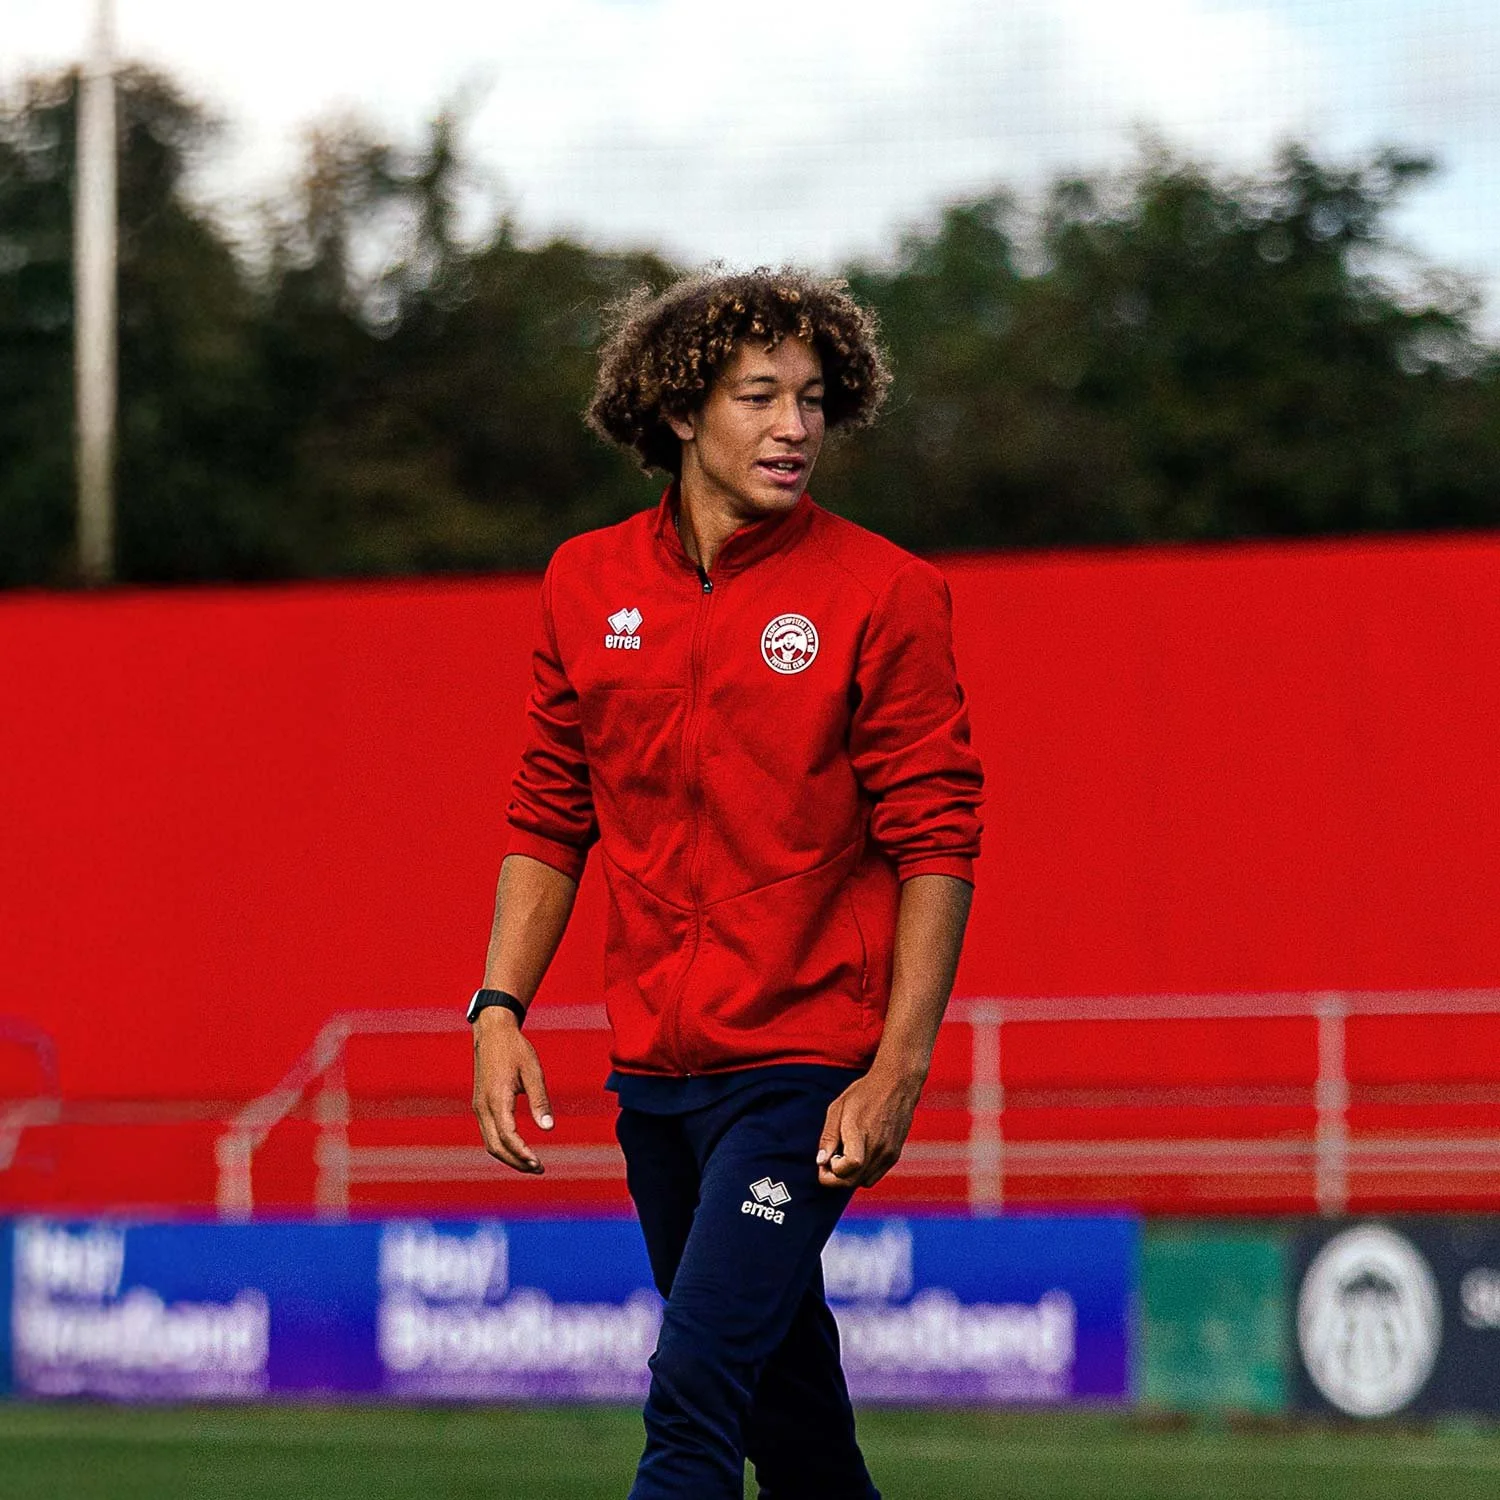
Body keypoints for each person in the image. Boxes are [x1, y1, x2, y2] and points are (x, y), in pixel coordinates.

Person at [469, 267, 984, 1499]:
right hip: (654, 1074)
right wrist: (497, 1010)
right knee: (795, 1427)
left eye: (813, 398)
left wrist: (896, 1065)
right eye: (760, 396)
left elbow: (937, 840)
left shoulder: (885, 594)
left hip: (805, 1067)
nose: (795, 426)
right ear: (681, 411)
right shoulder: (584, 584)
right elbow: (550, 813)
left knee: (694, 1395)